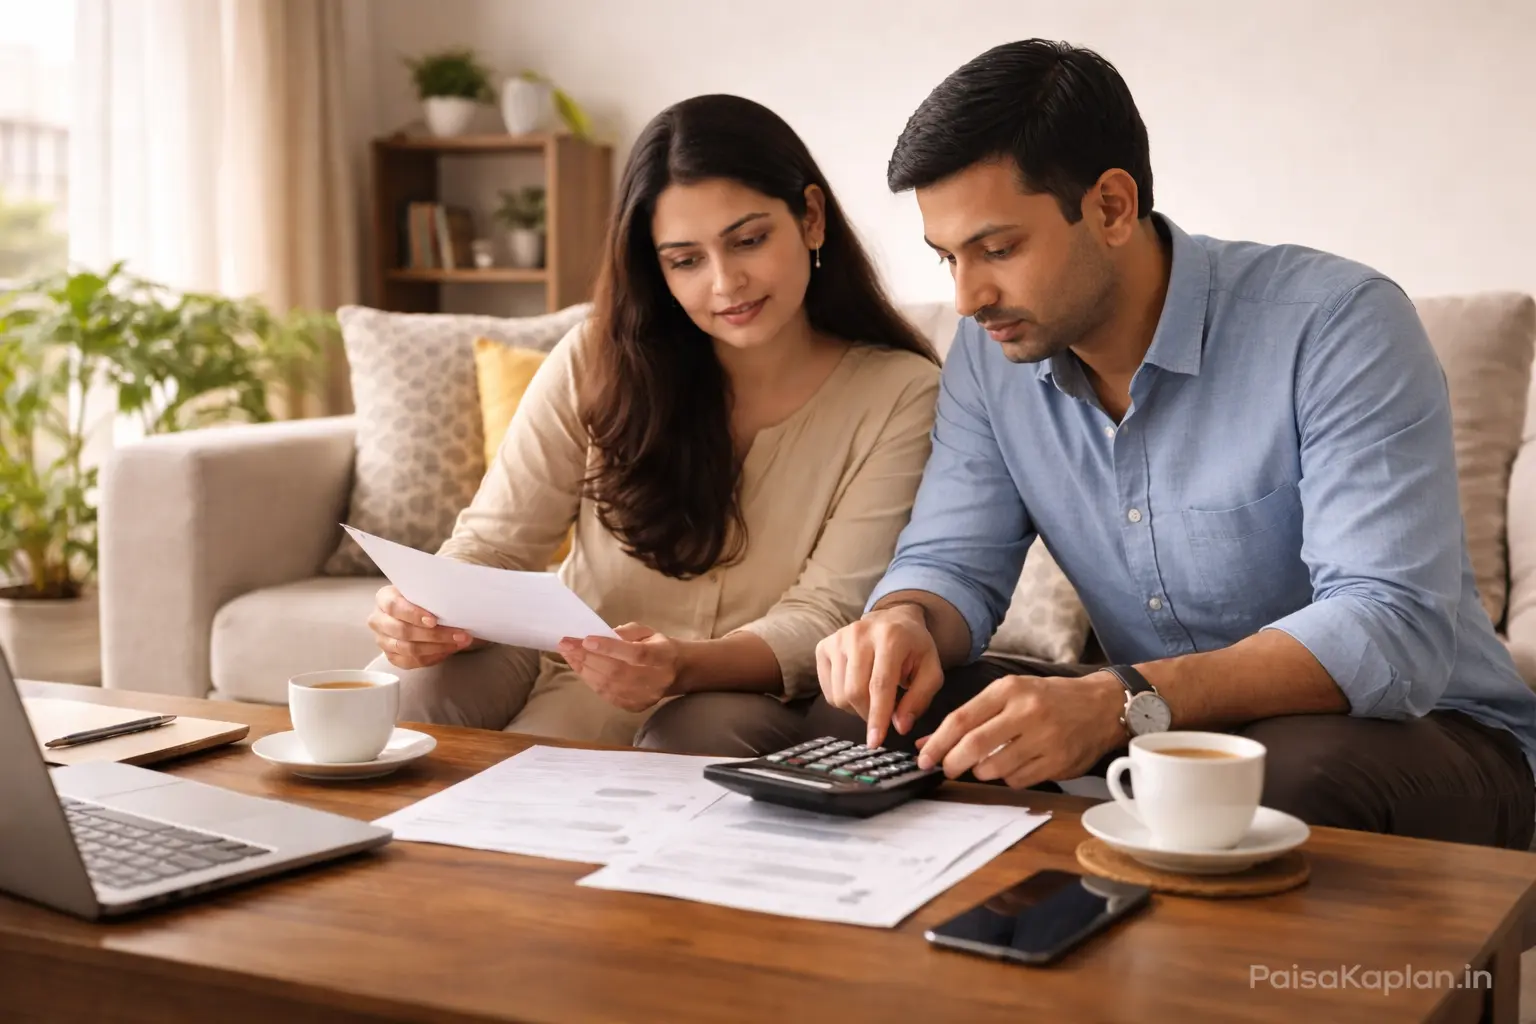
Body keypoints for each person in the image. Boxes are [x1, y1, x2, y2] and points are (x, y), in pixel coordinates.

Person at [815, 39, 1536, 847]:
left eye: (998, 249)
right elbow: (951, 562)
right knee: (870, 724)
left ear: (1111, 207)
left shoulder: (1337, 324)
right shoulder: (990, 360)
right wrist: (905, 622)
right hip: (1153, 725)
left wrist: (1119, 699)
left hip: (1426, 732)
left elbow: (1387, 623)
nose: (966, 296)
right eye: (947, 257)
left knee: (1280, 782)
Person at [365, 94, 939, 748]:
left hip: (737, 694)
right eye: (686, 260)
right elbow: (496, 544)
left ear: (810, 217)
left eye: (749, 240)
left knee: (672, 735)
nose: (725, 283)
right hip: (567, 667)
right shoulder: (596, 357)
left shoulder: (900, 393)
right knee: (403, 684)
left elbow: (826, 614)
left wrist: (682, 665)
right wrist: (423, 612)